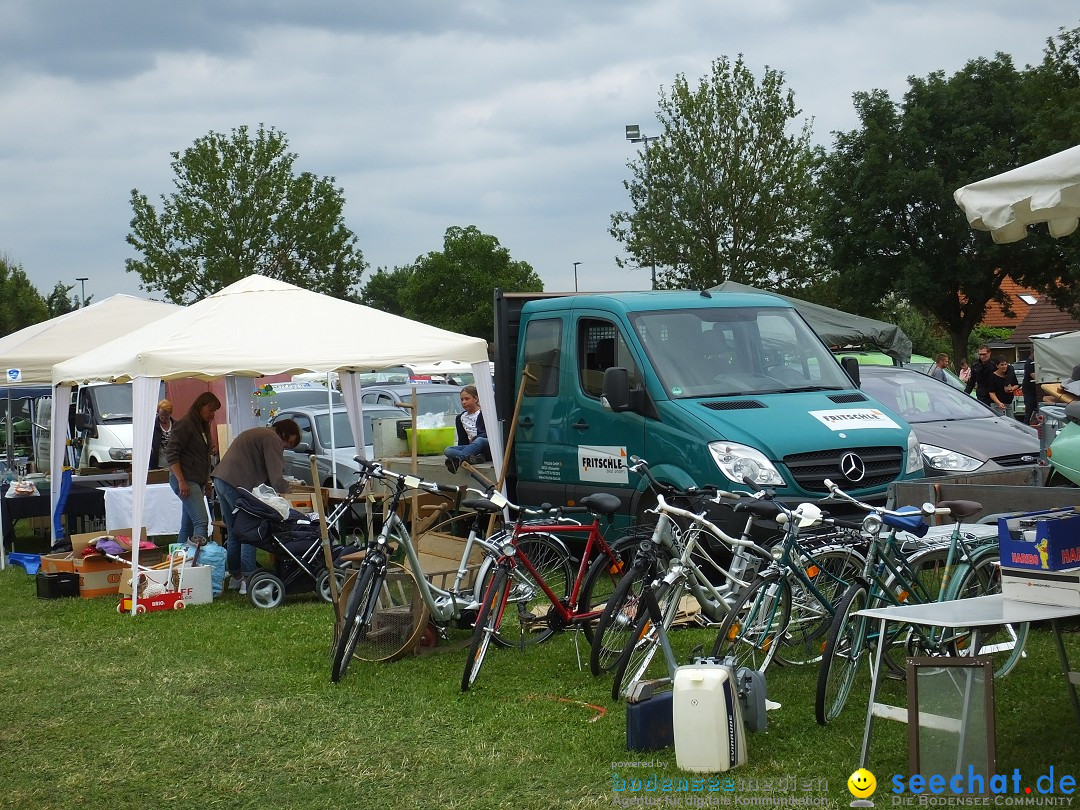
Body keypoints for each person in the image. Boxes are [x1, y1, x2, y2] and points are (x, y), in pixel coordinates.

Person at [212, 419, 302, 594]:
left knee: (233, 532)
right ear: (285, 433)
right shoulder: (272, 438)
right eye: (289, 443)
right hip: (236, 482)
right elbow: (275, 476)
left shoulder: (260, 432)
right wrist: (288, 493)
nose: (286, 447)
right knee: (250, 530)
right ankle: (248, 577)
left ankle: (236, 577)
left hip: (221, 479)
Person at [165, 392, 221, 548]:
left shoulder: (202, 427)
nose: (213, 414)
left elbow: (203, 456)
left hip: (196, 480)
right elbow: (171, 454)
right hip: (185, 479)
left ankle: (177, 562)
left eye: (214, 411)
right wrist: (181, 481)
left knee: (188, 525)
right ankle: (199, 563)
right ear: (200, 406)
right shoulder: (185, 424)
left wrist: (207, 480)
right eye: (210, 410)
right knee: (201, 522)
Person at [443, 384, 489, 473]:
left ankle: (459, 459)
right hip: (471, 449)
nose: (464, 402)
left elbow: (490, 434)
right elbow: (462, 440)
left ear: (475, 399)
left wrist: (475, 439)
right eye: (462, 399)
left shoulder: (484, 413)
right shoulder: (460, 418)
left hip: (485, 446)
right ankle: (474, 459)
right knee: (448, 450)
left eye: (467, 399)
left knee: (480, 440)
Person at [150, 399, 174, 469]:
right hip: (158, 465)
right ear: (158, 412)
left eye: (166, 416)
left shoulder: (175, 425)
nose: (163, 418)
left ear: (170, 413)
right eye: (161, 415)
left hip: (173, 464)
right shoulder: (152, 426)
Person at [1022, 356, 1038, 425]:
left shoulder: (1037, 362)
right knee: (1029, 410)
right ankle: (1026, 426)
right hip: (1029, 391)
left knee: (1036, 411)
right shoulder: (1029, 363)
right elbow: (1035, 376)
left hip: (1036, 391)